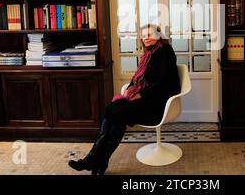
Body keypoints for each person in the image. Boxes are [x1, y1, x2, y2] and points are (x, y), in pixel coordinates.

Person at [68, 23, 180, 175]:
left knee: (115, 113)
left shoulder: (165, 50)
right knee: (113, 113)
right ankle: (98, 161)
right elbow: (139, 78)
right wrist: (131, 88)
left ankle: (94, 160)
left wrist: (142, 94)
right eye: (144, 35)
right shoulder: (148, 54)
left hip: (158, 102)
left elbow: (164, 82)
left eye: (150, 34)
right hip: (145, 98)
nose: (146, 38)